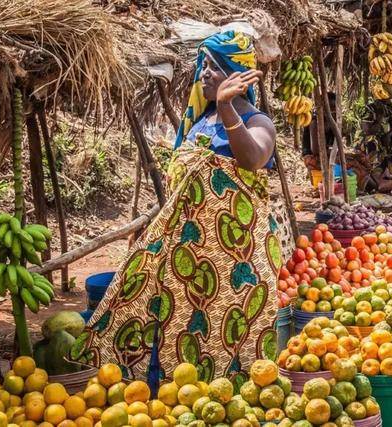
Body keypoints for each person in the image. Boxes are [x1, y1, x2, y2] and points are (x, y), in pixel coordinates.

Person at [70, 32, 281, 385]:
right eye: (203, 65)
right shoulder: (199, 122)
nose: (204, 73)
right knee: (174, 329)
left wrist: (229, 108)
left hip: (233, 263)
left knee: (225, 336)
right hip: (185, 256)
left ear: (236, 73)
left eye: (214, 66)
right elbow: (185, 187)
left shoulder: (258, 122)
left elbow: (253, 159)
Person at [301, 93, 371, 189]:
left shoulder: (332, 121)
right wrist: (334, 152)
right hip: (313, 158)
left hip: (329, 154)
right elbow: (316, 150)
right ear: (323, 107)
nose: (333, 111)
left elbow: (336, 144)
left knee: (362, 158)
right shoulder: (314, 122)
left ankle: (372, 181)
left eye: (335, 107)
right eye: (331, 108)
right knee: (352, 163)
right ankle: (370, 186)